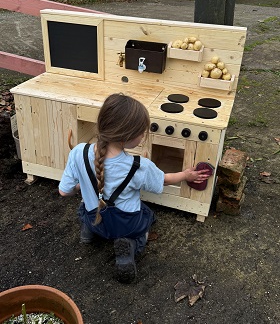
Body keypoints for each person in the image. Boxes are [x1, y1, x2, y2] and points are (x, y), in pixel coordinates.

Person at [59, 93, 210, 284]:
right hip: (124, 224)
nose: (142, 137)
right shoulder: (139, 166)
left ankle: (88, 231)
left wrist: (82, 187)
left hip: (94, 218)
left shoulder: (78, 151)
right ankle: (129, 246)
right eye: (141, 133)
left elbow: (64, 191)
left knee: (84, 208)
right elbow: (164, 179)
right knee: (147, 216)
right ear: (127, 137)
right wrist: (186, 176)